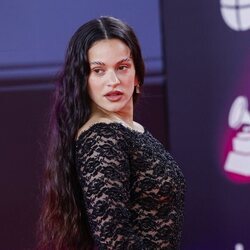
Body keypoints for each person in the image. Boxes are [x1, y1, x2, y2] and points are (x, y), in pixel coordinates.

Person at [38, 16, 186, 250]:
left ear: (137, 75)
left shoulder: (129, 129)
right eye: (98, 71)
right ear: (83, 80)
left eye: (122, 67)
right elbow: (114, 241)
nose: (113, 81)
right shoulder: (102, 136)